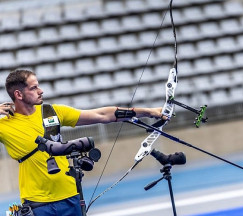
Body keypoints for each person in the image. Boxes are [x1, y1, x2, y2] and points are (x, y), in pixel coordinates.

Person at [0, 69, 166, 216]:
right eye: (34, 88)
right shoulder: (4, 125)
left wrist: (147, 111)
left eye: (38, 85)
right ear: (18, 95)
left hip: (71, 197)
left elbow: (102, 115)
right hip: (37, 205)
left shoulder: (52, 112)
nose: (40, 91)